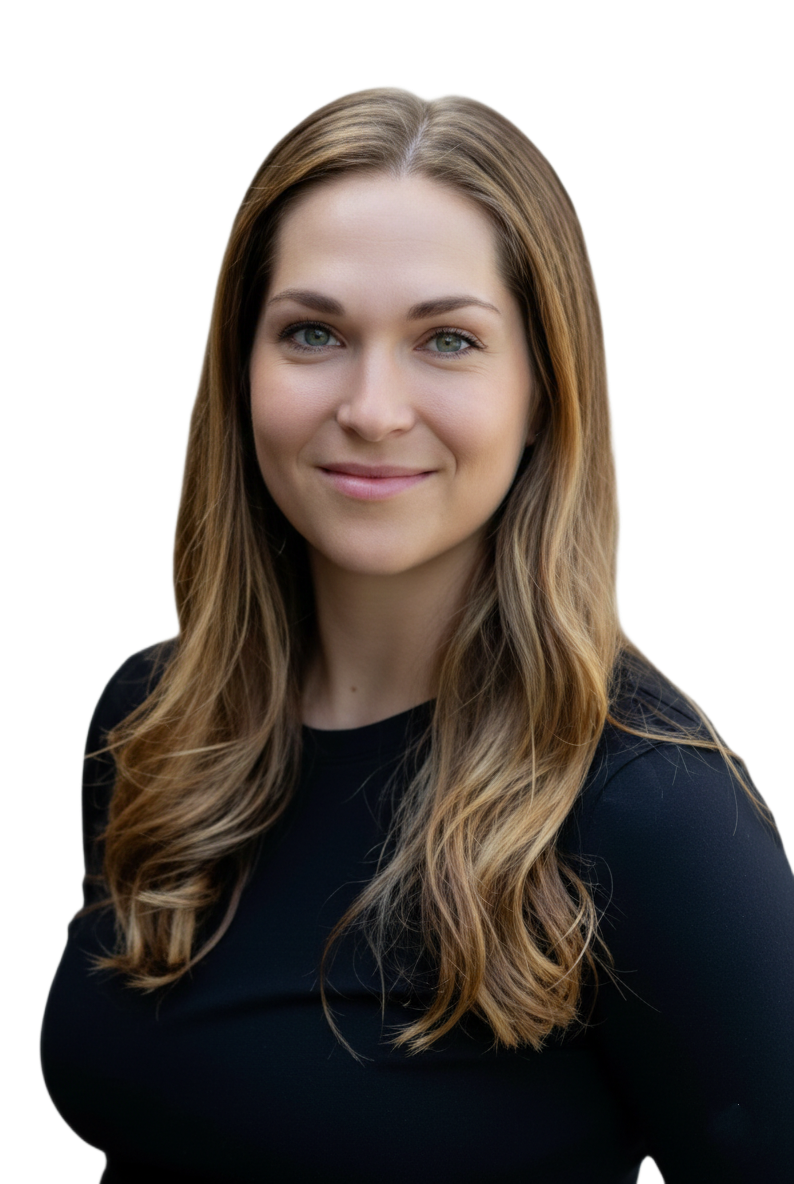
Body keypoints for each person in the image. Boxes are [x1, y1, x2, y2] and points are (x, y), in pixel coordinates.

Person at [39, 84, 793, 1183]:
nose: (374, 406)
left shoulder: (652, 810)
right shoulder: (159, 722)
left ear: (544, 389)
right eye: (313, 332)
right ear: (240, 371)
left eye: (446, 339)